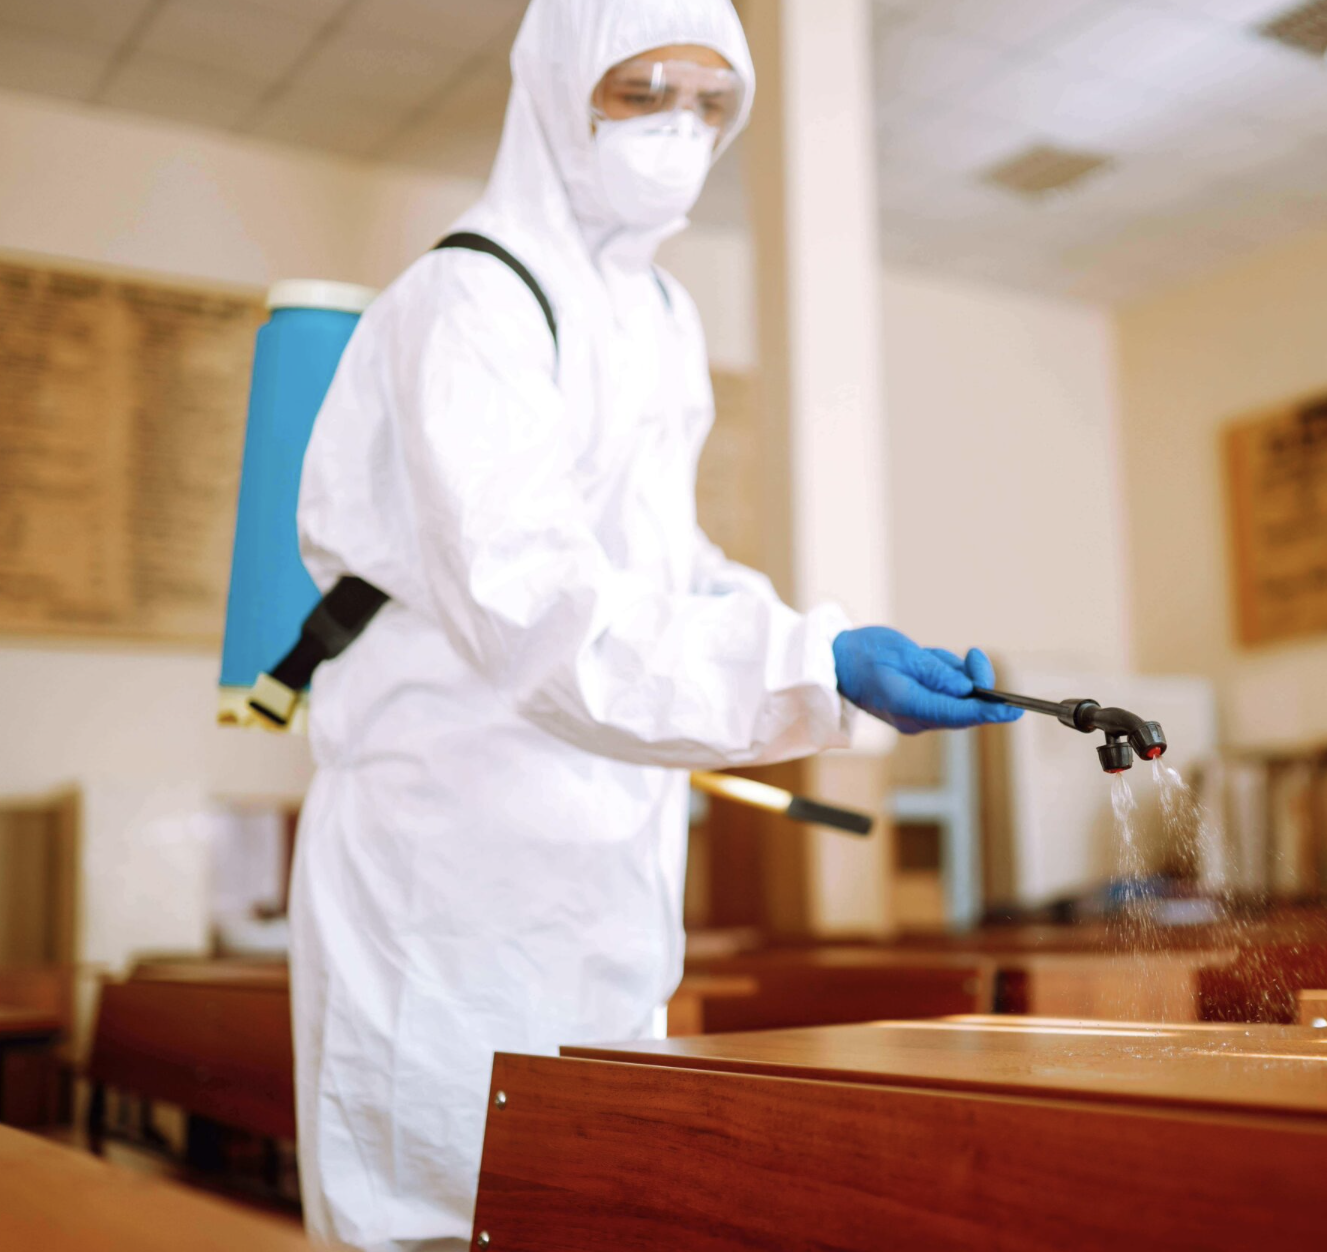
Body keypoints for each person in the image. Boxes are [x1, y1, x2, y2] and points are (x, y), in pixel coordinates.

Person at [289, 1, 1019, 1247]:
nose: (680, 128)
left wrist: (828, 650)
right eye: (642, 93)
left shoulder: (659, 316)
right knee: (436, 1204)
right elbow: (536, 610)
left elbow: (660, 571)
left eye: (710, 101)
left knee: (598, 1197)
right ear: (557, 90)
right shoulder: (469, 300)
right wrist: (805, 663)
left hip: (607, 862)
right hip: (448, 864)